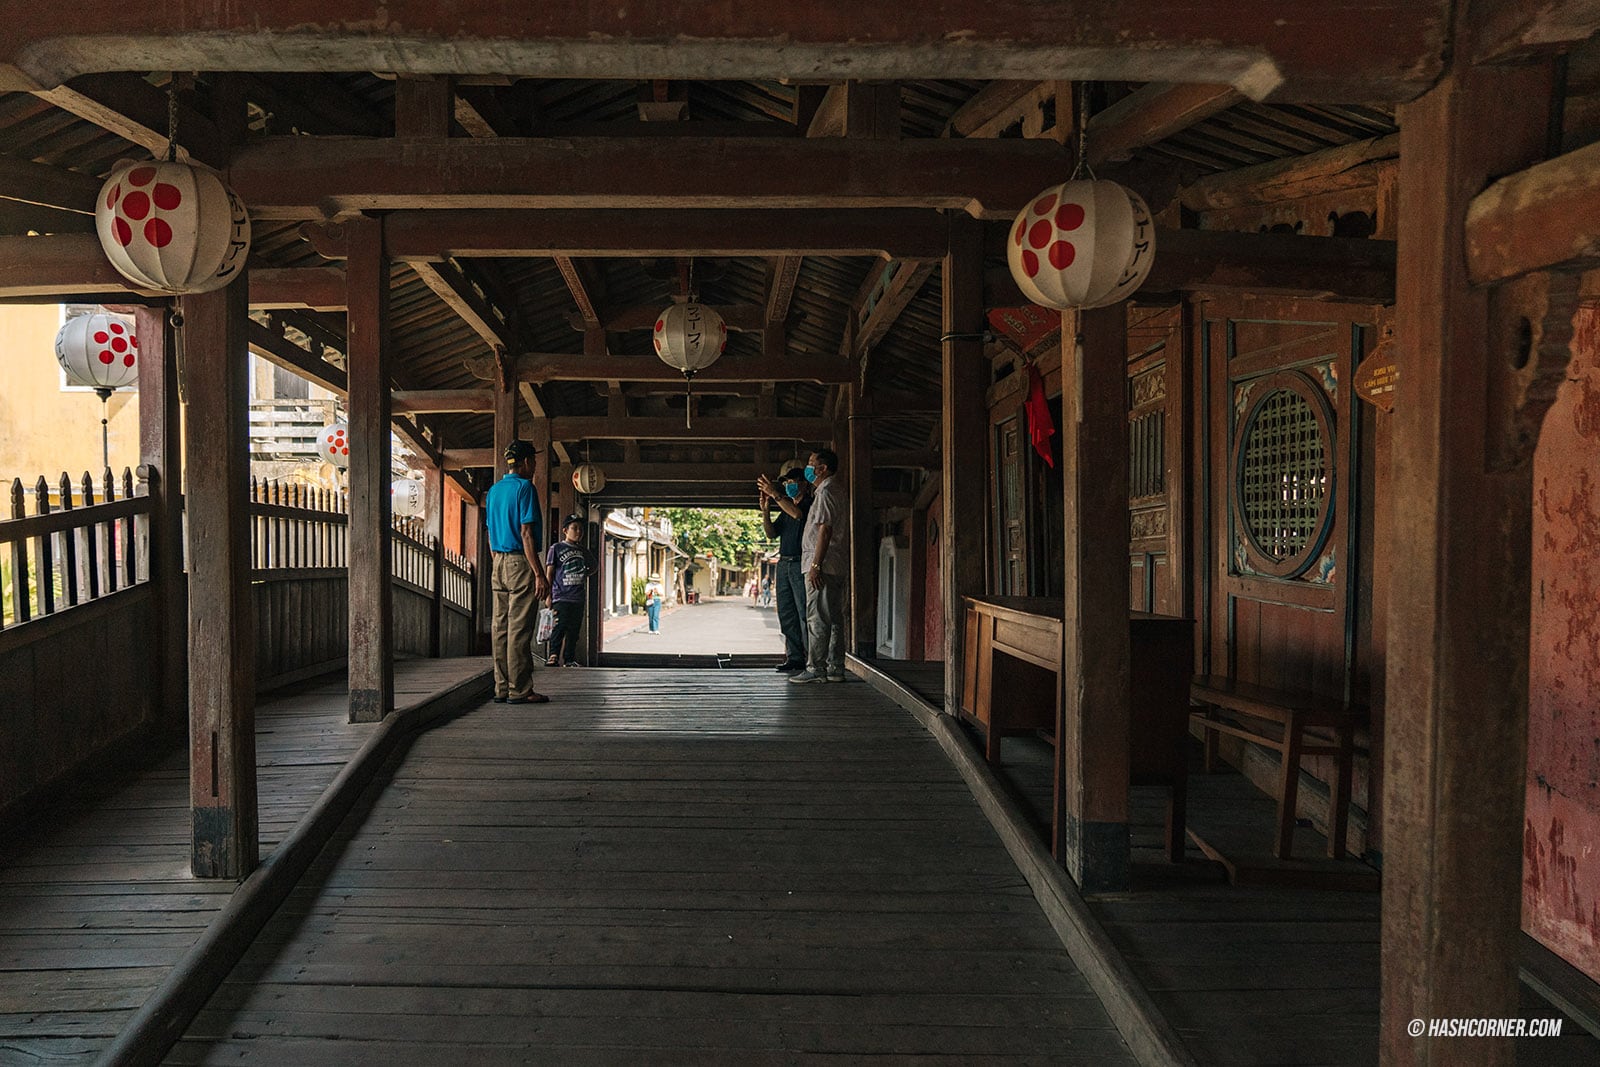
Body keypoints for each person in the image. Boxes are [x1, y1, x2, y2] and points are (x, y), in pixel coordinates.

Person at [485, 439, 550, 704]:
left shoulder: (494, 490)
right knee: (519, 628)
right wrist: (538, 573)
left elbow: (490, 532)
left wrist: (497, 561)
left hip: (498, 561)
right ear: (524, 462)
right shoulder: (525, 488)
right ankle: (520, 689)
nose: (534, 466)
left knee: (499, 627)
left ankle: (501, 687)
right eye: (533, 461)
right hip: (520, 561)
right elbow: (526, 532)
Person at [787, 448, 848, 685]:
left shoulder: (826, 492)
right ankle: (835, 668)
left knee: (817, 617)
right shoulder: (832, 490)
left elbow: (825, 530)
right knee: (832, 617)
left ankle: (816, 668)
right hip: (833, 564)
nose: (808, 468)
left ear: (822, 469)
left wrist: (815, 565)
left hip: (823, 562)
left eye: (812, 464)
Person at [757, 466, 812, 673]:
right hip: (783, 563)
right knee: (787, 613)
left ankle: (811, 658)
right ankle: (795, 657)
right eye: (786, 483)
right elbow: (771, 534)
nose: (789, 486)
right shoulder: (785, 509)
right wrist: (765, 510)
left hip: (799, 563)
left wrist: (776, 494)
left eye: (792, 482)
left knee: (803, 612)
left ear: (804, 484)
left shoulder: (808, 504)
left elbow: (798, 515)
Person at [545, 514, 595, 668]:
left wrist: (584, 573)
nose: (578, 531)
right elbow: (550, 573)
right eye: (574, 528)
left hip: (578, 597)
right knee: (558, 627)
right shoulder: (557, 548)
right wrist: (548, 596)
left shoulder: (582, 550)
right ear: (565, 530)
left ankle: (569, 659)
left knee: (573, 630)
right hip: (561, 596)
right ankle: (553, 655)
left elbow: (594, 566)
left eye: (581, 529)